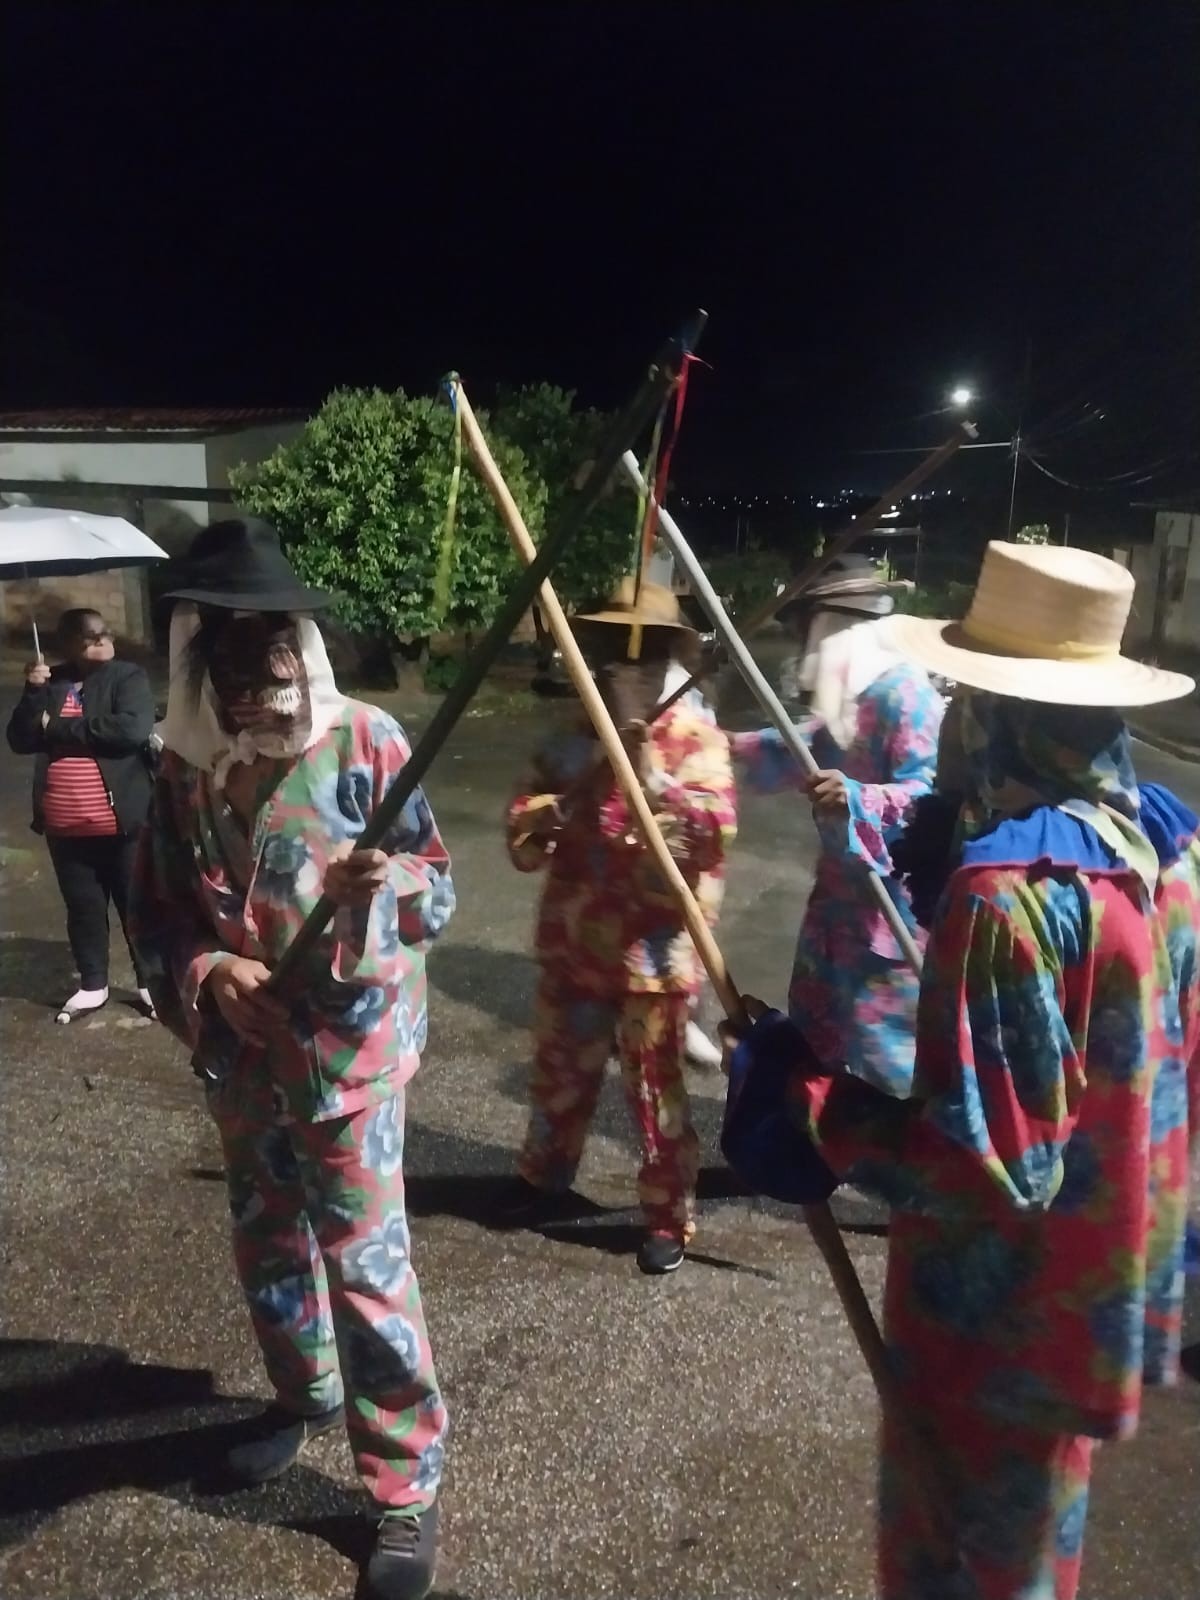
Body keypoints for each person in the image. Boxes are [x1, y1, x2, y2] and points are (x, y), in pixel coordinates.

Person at [724, 542, 1200, 1600]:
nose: (946, 717)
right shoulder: (1164, 846)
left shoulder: (1010, 899)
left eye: (961, 697)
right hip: (1097, 1296)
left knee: (951, 1564)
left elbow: (986, 1168)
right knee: (1029, 1564)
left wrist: (810, 1102)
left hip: (993, 1325)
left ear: (988, 710)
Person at [128, 520, 455, 1600]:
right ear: (201, 675)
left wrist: (387, 886)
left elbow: (438, 889)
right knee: (268, 1244)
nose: (262, 714)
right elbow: (161, 913)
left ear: (301, 659)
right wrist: (213, 968)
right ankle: (301, 1393)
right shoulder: (181, 773)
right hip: (245, 1061)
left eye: (276, 686)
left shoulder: (367, 743)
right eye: (237, 691)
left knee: (365, 1267)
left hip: (350, 1063)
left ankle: (404, 1485)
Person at [503, 578, 737, 1274]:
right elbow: (522, 834)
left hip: (654, 955)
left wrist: (648, 776)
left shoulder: (697, 743)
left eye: (632, 655)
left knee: (652, 1090)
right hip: (575, 944)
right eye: (602, 652)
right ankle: (544, 1176)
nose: (613, 670)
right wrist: (543, 816)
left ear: (665, 659)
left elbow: (711, 834)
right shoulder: (568, 744)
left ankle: (668, 1213)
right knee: (559, 1074)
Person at [729, 563, 943, 1096]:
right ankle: (813, 1153)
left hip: (887, 918)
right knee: (814, 1043)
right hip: (835, 914)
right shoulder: (858, 701)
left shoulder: (907, 696)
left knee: (883, 1058)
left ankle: (890, 1167)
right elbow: (802, 747)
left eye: (809, 633)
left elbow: (931, 798)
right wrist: (716, 745)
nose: (806, 649)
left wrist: (858, 798)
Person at [6, 607, 156, 1022]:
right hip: (65, 824)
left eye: (106, 632)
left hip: (122, 820)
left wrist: (56, 728)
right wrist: (33, 692)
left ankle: (150, 984)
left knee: (136, 906)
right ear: (70, 642)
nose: (104, 640)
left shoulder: (128, 678)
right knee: (83, 908)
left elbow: (131, 729)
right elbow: (20, 739)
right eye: (92, 636)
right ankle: (93, 984)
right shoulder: (51, 682)